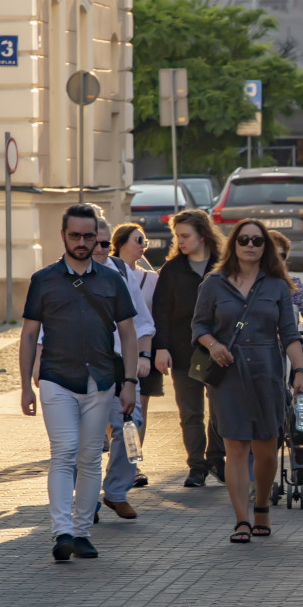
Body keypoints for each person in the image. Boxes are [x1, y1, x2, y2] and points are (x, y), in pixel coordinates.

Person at [19, 204, 137, 561]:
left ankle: (82, 531)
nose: (83, 242)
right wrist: (25, 385)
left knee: (89, 457)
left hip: (100, 380)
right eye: (75, 235)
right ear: (63, 236)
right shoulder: (43, 280)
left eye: (89, 236)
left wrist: (129, 382)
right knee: (65, 452)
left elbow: (128, 334)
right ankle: (62, 532)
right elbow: (28, 335)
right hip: (57, 377)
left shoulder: (112, 279)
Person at [192, 219, 303, 543]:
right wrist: (213, 346)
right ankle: (241, 519)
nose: (250, 245)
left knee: (268, 449)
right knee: (236, 447)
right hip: (227, 375)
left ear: (265, 247)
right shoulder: (214, 283)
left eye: (257, 241)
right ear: (234, 244)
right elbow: (199, 327)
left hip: (266, 373)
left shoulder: (277, 286)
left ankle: (261, 507)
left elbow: (289, 333)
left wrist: (299, 372)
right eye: (243, 239)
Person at [151, 209, 226, 487]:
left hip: (220, 351)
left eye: (185, 235)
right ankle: (197, 467)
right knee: (190, 413)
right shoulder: (172, 270)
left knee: (220, 410)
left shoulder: (224, 266)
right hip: (183, 352)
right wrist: (161, 348)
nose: (180, 241)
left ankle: (217, 459)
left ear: (202, 235)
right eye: (177, 236)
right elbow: (161, 312)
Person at [91, 219, 154, 521]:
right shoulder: (60, 274)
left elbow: (142, 321)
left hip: (120, 367)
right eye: (94, 243)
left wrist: (143, 355)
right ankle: (87, 499)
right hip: (81, 369)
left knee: (130, 427)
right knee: (85, 437)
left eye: (105, 243)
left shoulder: (121, 271)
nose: (100, 249)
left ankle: (115, 492)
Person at [111, 223, 160, 487]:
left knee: (136, 413)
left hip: (141, 354)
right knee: (114, 414)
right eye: (137, 240)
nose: (143, 245)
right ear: (119, 243)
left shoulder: (151, 278)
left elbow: (151, 319)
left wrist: (149, 353)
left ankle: (134, 464)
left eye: (145, 240)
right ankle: (120, 467)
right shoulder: (107, 272)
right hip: (110, 355)